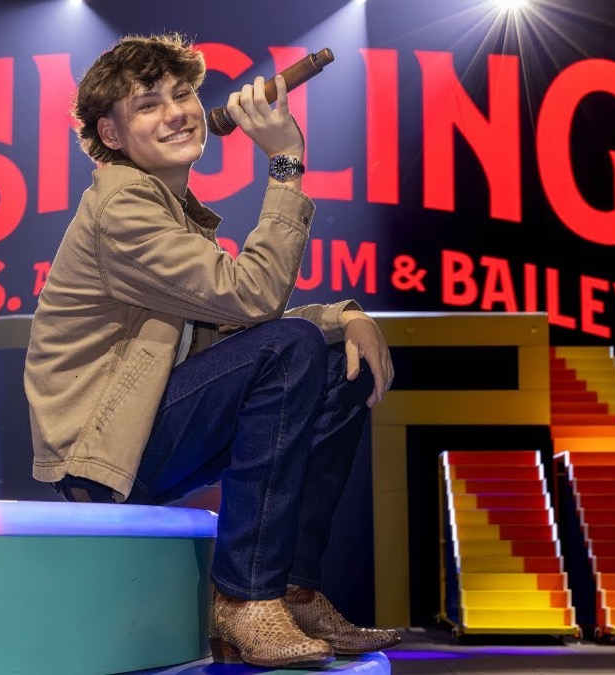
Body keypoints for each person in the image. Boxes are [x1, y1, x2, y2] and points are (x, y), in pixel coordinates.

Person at [23, 33, 400, 668]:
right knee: (291, 349)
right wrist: (285, 162)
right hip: (103, 458)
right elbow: (252, 298)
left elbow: (232, 322)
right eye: (148, 105)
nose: (176, 113)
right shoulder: (123, 207)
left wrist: (344, 316)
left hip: (143, 433)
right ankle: (245, 596)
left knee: (341, 367)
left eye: (183, 95)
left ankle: (294, 591)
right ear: (111, 133)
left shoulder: (167, 208)